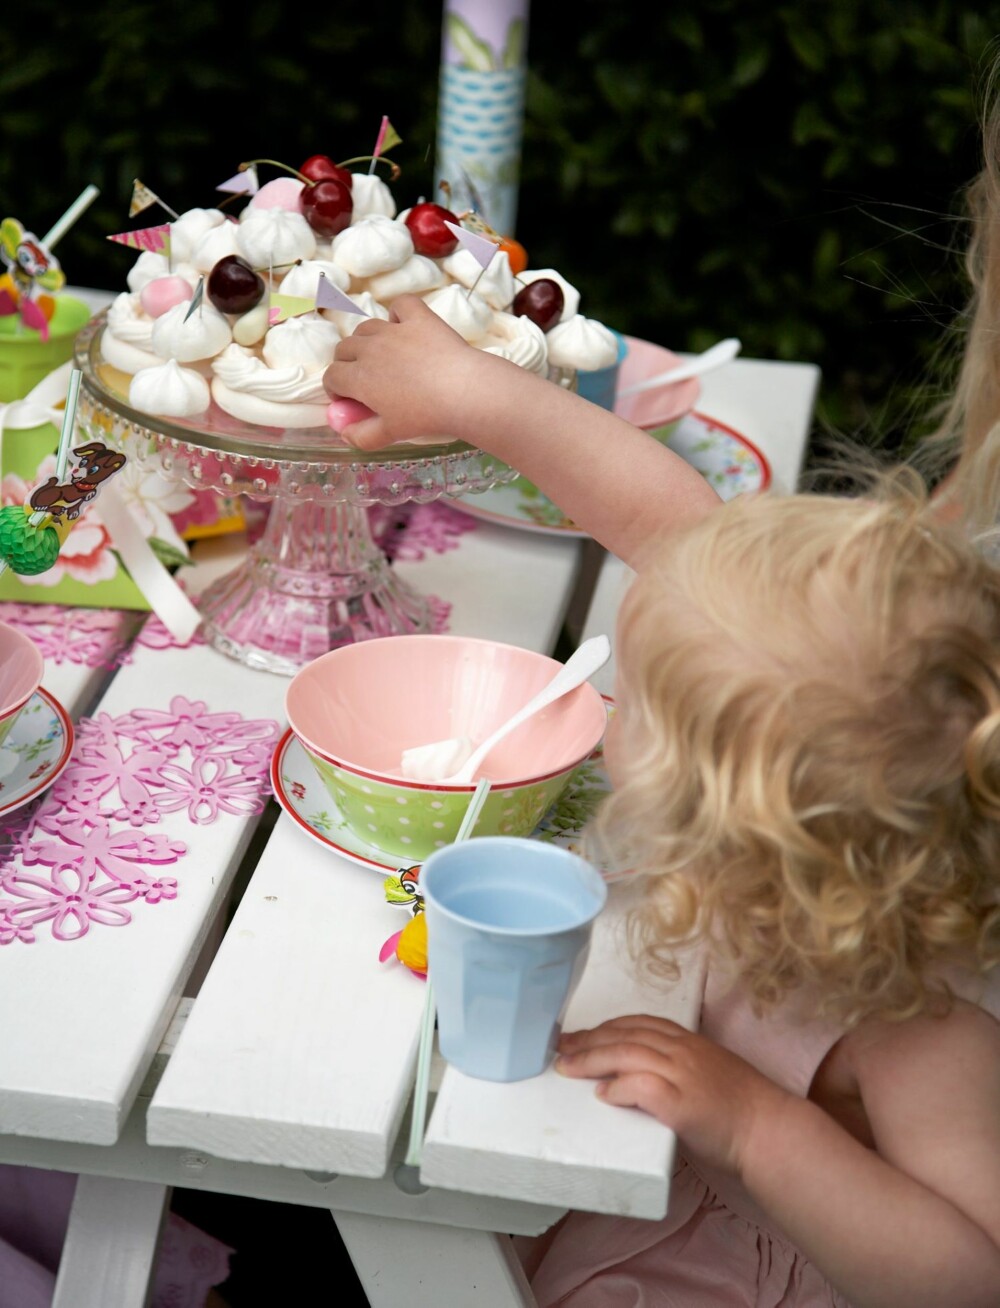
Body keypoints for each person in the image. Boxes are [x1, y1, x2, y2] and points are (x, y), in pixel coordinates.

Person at [324, 292, 1000, 1305]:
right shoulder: (809, 750)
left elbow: (970, 1275)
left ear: (734, 817)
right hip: (622, 1171)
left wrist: (760, 1128)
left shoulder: (923, 1024)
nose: (601, 706)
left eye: (633, 706)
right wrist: (473, 392)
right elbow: (667, 523)